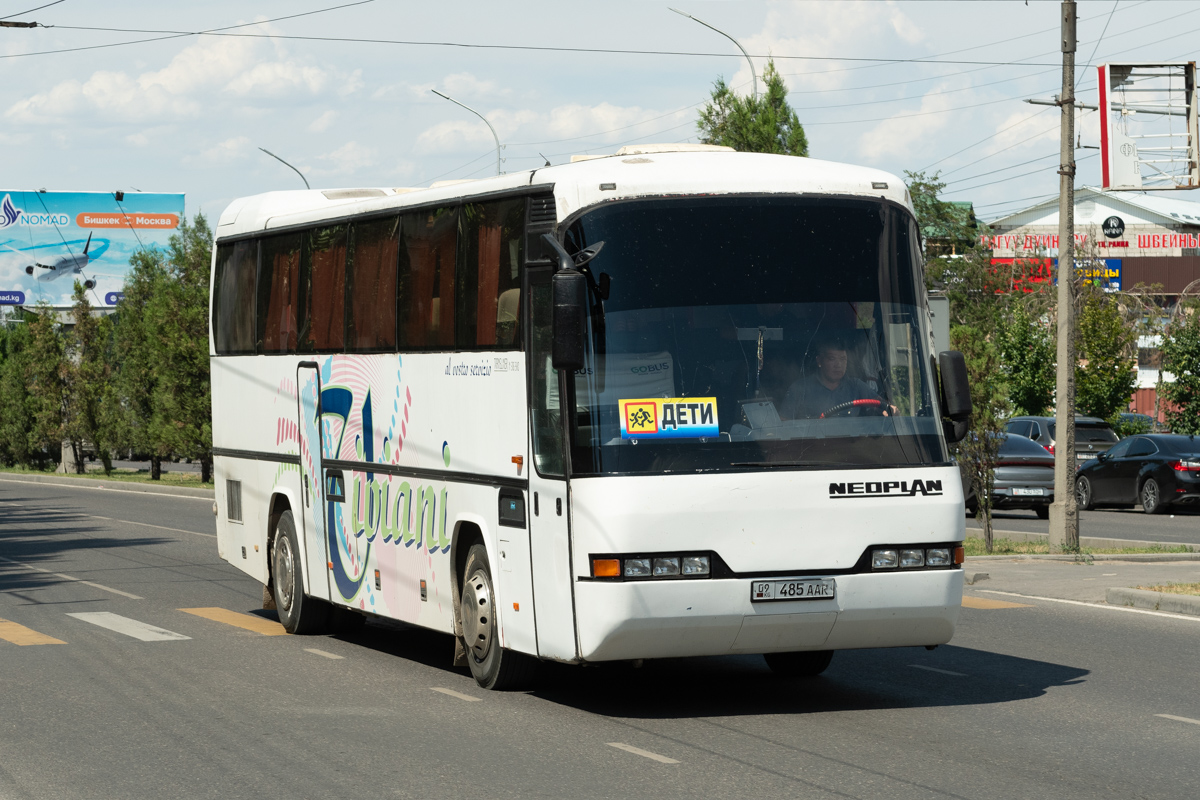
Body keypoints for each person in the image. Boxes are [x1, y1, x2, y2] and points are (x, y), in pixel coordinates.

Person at [781, 335, 890, 419]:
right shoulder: (800, 389)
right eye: (832, 359)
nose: (838, 365)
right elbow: (783, 422)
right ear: (819, 361)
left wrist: (890, 410)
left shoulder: (856, 386)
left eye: (843, 359)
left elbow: (881, 405)